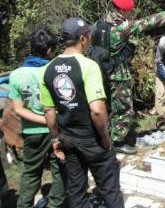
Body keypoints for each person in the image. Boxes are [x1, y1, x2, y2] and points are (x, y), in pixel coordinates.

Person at [40, 18, 124, 208]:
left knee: (76, 193)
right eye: (88, 35)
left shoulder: (47, 69)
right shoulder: (88, 66)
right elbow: (96, 111)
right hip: (91, 139)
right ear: (83, 38)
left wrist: (55, 139)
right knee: (110, 190)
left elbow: (49, 110)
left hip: (68, 139)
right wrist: (105, 138)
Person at [105, 0, 165, 154]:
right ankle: (117, 143)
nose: (129, 14)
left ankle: (108, 138)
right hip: (117, 73)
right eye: (128, 12)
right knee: (123, 108)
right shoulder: (121, 27)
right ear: (123, 11)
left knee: (109, 107)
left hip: (102, 71)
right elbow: (149, 21)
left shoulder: (101, 25)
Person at [9, 29, 66, 208]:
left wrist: (40, 121)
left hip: (31, 133)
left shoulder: (16, 74)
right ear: (49, 50)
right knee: (60, 170)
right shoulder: (56, 69)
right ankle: (54, 205)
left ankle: (24, 205)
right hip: (57, 129)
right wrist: (50, 121)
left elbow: (18, 110)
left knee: (31, 173)